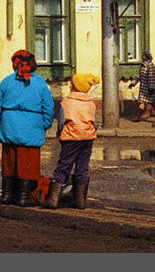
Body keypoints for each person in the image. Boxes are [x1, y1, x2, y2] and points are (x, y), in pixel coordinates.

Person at [0, 49, 54, 207]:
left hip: (9, 125)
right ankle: (24, 197)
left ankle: (6, 195)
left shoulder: (6, 81)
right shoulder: (40, 83)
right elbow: (48, 108)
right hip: (32, 128)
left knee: (9, 162)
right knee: (28, 164)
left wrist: (2, 122)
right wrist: (44, 125)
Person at [44, 72, 99, 210]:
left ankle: (53, 199)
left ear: (74, 86)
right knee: (82, 167)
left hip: (71, 138)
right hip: (87, 138)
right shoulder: (91, 103)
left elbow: (61, 123)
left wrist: (59, 135)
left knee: (64, 166)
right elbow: (95, 123)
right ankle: (80, 201)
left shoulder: (66, 102)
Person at [128, 50, 155, 122]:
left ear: (147, 57)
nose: (142, 57)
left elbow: (151, 77)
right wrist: (133, 83)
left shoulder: (150, 65)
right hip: (144, 87)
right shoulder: (143, 65)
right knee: (142, 101)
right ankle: (138, 117)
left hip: (149, 87)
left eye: (144, 55)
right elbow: (139, 75)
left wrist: (151, 88)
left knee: (153, 102)